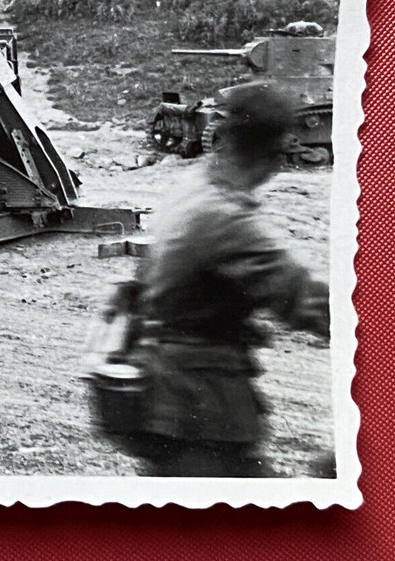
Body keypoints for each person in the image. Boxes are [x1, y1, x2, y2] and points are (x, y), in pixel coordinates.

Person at [134, 82, 330, 476]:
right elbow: (305, 301)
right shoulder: (227, 219)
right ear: (278, 151)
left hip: (165, 392)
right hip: (203, 403)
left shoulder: (197, 185)